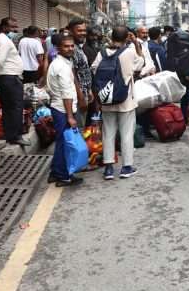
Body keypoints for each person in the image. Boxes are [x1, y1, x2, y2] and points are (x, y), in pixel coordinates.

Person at [91, 26, 145, 180]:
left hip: (106, 99)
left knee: (108, 133)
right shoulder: (129, 52)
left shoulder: (101, 53)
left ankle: (109, 168)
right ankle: (126, 167)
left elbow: (94, 69)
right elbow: (141, 63)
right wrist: (135, 43)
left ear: (111, 36)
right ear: (127, 37)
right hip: (125, 100)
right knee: (127, 134)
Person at [46, 33, 83, 187]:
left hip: (60, 108)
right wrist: (70, 116)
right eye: (66, 46)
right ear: (58, 48)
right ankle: (63, 176)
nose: (70, 49)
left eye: (71, 46)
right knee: (65, 143)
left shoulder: (63, 62)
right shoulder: (60, 66)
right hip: (62, 110)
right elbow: (66, 93)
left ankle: (56, 172)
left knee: (62, 141)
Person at [0, 17, 29, 147]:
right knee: (15, 107)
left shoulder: (0, 39)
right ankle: (15, 136)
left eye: (16, 27)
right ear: (4, 27)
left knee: (9, 108)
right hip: (10, 77)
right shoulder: (4, 41)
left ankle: (9, 133)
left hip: (7, 77)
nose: (15, 30)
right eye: (12, 27)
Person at [67, 18, 94, 127]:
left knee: (81, 127)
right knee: (78, 129)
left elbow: (83, 72)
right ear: (70, 31)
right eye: (79, 30)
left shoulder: (78, 47)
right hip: (77, 97)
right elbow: (72, 74)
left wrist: (89, 90)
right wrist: (81, 97)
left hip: (84, 93)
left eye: (84, 30)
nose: (83, 33)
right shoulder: (70, 48)